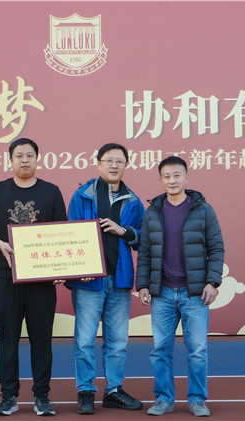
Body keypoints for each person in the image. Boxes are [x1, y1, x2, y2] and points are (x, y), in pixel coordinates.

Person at [0, 138, 67, 417]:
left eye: (29, 155)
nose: (24, 160)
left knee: (42, 340)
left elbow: (62, 232)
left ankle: (42, 395)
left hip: (41, 280)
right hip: (6, 278)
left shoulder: (51, 192)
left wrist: (60, 268)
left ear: (38, 159)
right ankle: (8, 395)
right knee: (7, 339)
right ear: (10, 160)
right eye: (19, 155)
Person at [135, 156, 225, 417]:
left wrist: (213, 282)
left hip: (194, 293)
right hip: (162, 294)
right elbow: (145, 252)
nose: (172, 180)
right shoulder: (152, 212)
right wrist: (143, 285)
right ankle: (164, 399)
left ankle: (197, 399)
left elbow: (216, 248)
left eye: (177, 175)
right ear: (160, 180)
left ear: (186, 178)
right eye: (167, 176)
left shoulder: (203, 210)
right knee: (159, 351)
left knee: (197, 351)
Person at [66, 143, 145, 415]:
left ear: (126, 165)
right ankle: (85, 391)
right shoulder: (82, 196)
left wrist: (124, 231)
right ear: (98, 163)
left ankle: (113, 391)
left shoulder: (133, 200)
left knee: (118, 341)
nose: (114, 165)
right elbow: (71, 234)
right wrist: (82, 266)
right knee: (85, 340)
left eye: (119, 161)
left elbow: (142, 239)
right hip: (89, 281)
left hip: (119, 280)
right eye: (109, 160)